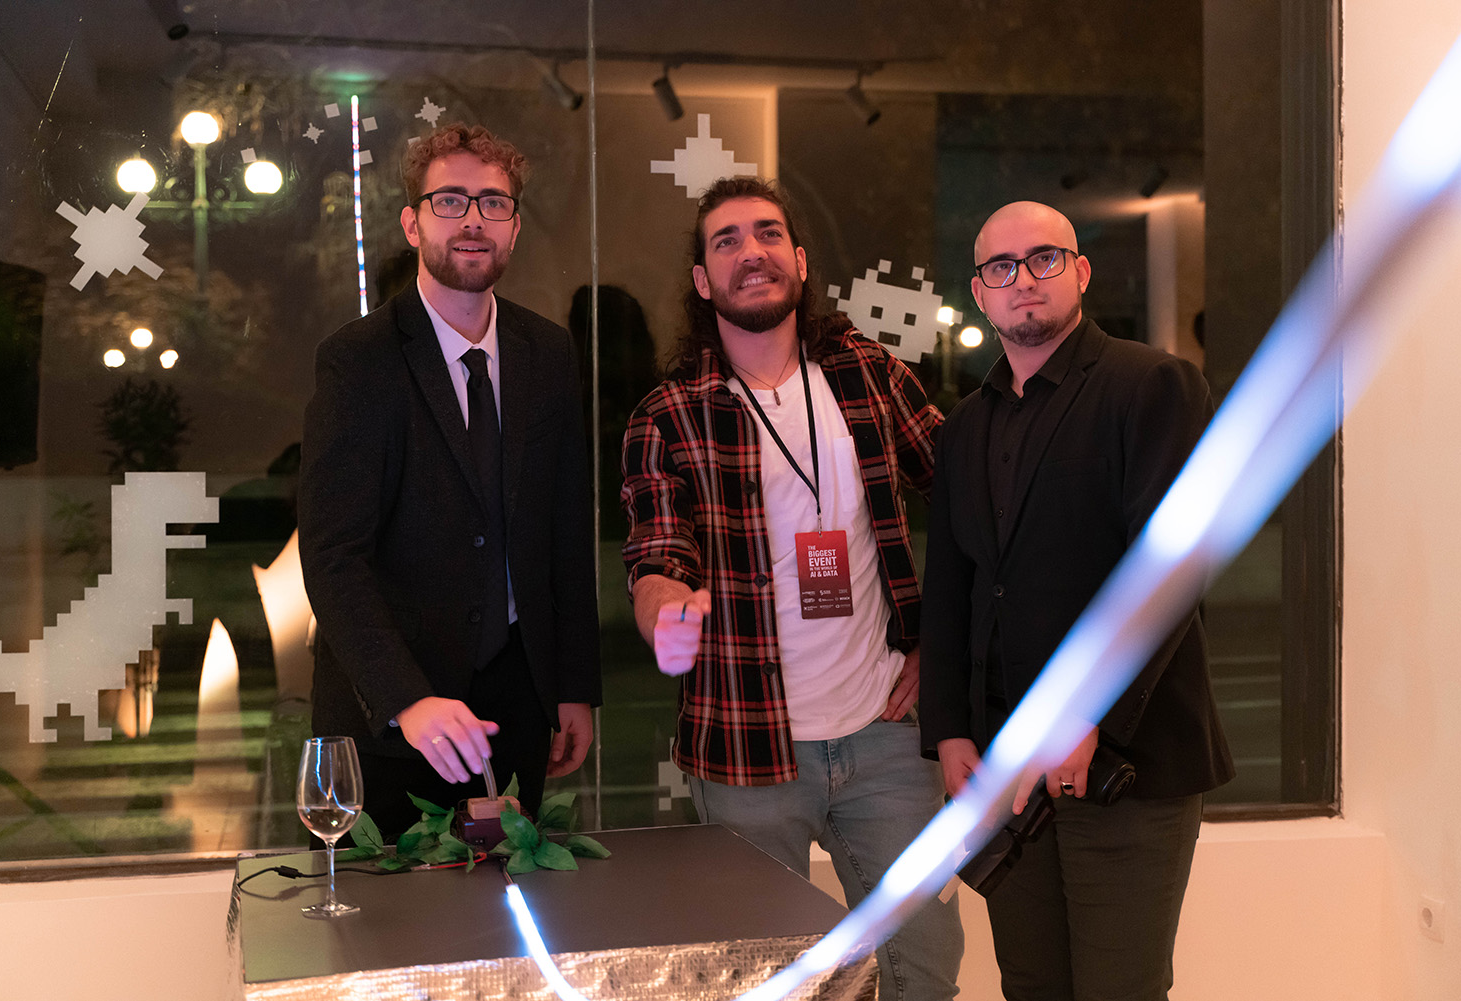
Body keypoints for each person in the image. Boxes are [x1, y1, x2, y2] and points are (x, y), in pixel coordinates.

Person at [621, 176, 963, 1001]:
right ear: (703, 280)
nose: (752, 252)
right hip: (746, 747)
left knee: (924, 973)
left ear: (801, 262)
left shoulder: (868, 374)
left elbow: (970, 502)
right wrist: (667, 616)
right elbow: (656, 554)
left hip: (888, 737)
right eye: (727, 240)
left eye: (768, 233)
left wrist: (942, 643)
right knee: (766, 985)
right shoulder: (668, 414)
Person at [920, 200, 1235, 1001]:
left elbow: (1170, 570)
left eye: (1045, 258)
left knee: (1119, 988)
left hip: (1127, 762)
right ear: (979, 293)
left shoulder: (1153, 385)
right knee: (1030, 984)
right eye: (1001, 267)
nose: (1023, 279)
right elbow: (952, 586)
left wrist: (1088, 714)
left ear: (1081, 271)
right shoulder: (964, 427)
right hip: (1003, 768)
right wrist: (950, 729)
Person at [299, 122, 600, 833]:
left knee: (515, 900)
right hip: (394, 720)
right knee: (382, 904)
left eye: (493, 203)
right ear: (413, 224)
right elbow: (334, 556)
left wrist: (574, 686)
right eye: (450, 201)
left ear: (514, 227)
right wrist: (406, 699)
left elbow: (565, 529)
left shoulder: (547, 351)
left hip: (519, 704)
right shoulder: (357, 361)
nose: (473, 220)